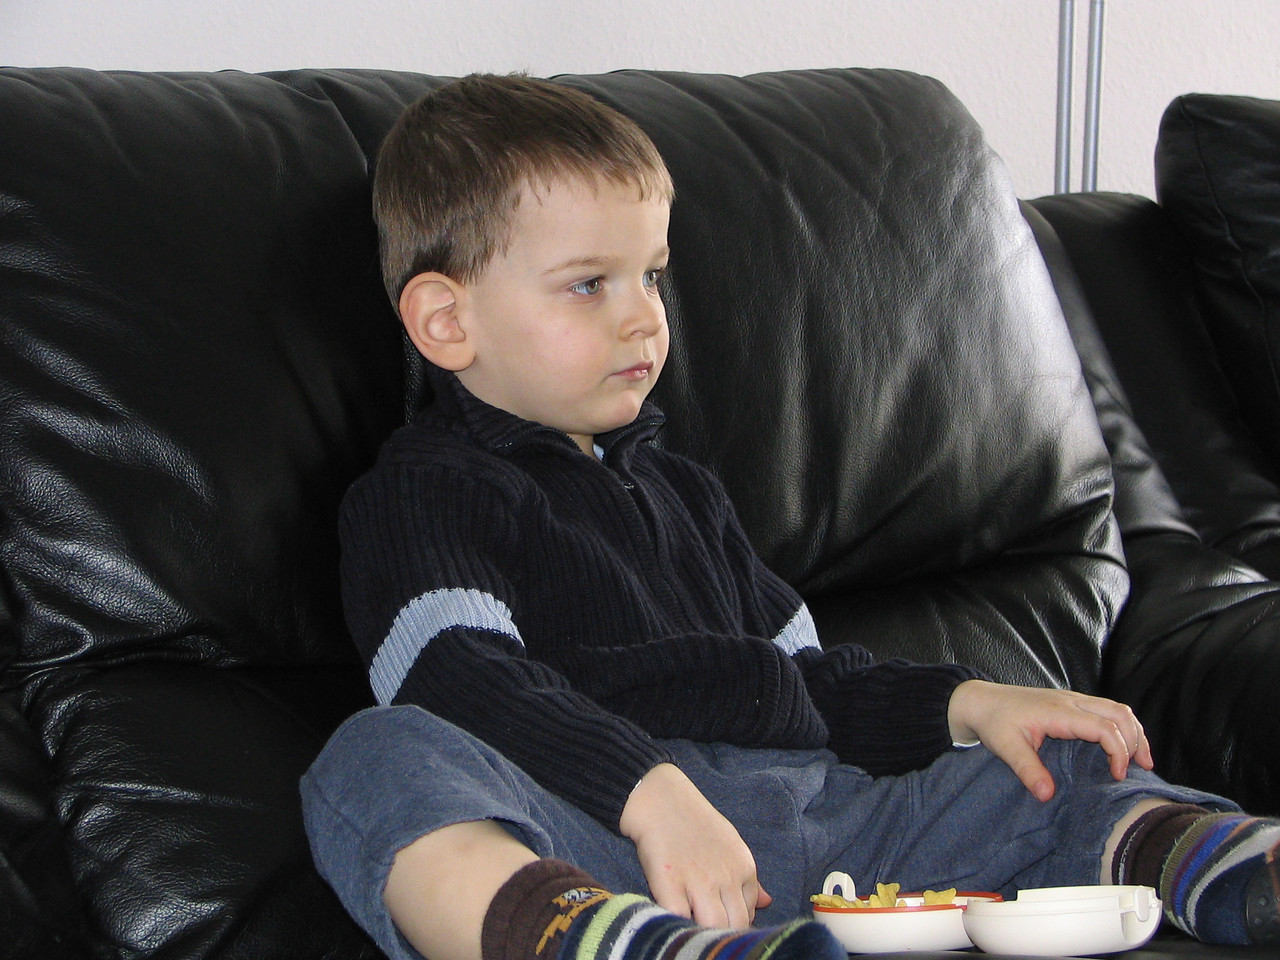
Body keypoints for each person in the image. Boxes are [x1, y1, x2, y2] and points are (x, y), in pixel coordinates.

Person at [301, 73, 1280, 960]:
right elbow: (459, 676)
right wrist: (648, 793)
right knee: (378, 762)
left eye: (651, 275)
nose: (644, 316)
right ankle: (618, 943)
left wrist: (970, 704)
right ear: (446, 322)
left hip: (823, 820)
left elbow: (812, 683)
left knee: (1041, 755)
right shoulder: (425, 493)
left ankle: (1215, 864)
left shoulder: (687, 494)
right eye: (589, 284)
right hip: (610, 837)